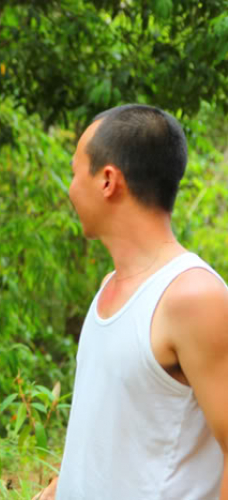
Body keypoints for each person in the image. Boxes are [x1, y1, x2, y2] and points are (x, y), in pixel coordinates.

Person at [36, 105, 228, 499]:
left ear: (108, 180)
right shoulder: (111, 286)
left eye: (75, 172)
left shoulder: (193, 296)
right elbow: (119, 426)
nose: (70, 188)